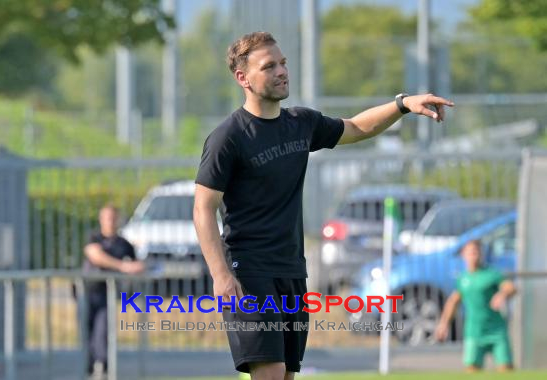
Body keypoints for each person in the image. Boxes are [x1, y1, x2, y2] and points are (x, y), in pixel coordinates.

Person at [193, 31, 454, 380]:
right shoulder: (229, 137)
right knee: (269, 374)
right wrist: (221, 275)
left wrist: (402, 105)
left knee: (285, 375)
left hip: (292, 271)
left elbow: (358, 127)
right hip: (248, 273)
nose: (282, 71)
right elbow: (202, 208)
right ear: (243, 78)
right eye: (269, 66)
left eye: (283, 63)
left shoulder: (301, 123)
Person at [82, 204, 145, 378]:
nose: (109, 221)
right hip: (86, 292)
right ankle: (87, 367)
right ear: (101, 219)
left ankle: (103, 366)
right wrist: (122, 266)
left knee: (103, 330)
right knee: (86, 331)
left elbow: (136, 265)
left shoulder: (124, 244)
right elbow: (94, 255)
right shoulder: (93, 237)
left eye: (112, 218)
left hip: (106, 294)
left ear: (117, 220)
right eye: (106, 217)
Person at [436, 240, 516, 372]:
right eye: (471, 252)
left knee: (506, 370)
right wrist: (444, 323)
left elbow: (510, 287)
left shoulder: (491, 274)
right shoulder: (463, 278)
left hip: (496, 330)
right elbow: (453, 301)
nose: (475, 255)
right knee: (472, 370)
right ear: (464, 255)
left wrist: (502, 294)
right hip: (474, 331)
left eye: (477, 252)